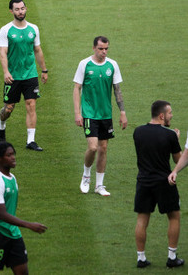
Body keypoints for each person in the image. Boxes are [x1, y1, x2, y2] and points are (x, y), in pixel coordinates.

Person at [73, 36, 127, 196]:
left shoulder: (112, 65)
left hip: (106, 114)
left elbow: (117, 89)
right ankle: (86, 175)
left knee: (103, 148)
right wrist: (78, 113)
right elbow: (77, 88)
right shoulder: (85, 64)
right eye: (101, 49)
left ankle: (99, 185)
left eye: (106, 49)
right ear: (94, 48)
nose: (104, 52)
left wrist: (122, 112)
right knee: (93, 147)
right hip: (89, 113)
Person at [0, 142, 47, 275]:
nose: (13, 157)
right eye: (9, 155)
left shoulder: (12, 178)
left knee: (22, 272)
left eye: (13, 154)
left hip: (13, 233)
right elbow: (1, 214)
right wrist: (29, 225)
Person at [133, 100, 184, 268]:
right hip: (164, 182)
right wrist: (175, 139)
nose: (171, 115)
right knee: (174, 216)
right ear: (162, 115)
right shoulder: (169, 135)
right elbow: (179, 160)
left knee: (142, 219)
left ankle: (141, 258)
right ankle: (171, 257)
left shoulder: (138, 132)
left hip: (143, 182)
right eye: (169, 113)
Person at [0, 0, 48, 151]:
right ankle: (1, 125)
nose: (20, 12)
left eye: (22, 8)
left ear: (26, 9)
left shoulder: (33, 28)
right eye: (17, 9)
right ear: (11, 11)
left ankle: (30, 141)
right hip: (13, 76)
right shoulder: (5, 30)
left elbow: (37, 50)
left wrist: (44, 70)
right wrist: (6, 72)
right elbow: (2, 53)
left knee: (31, 104)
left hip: (30, 74)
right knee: (9, 108)